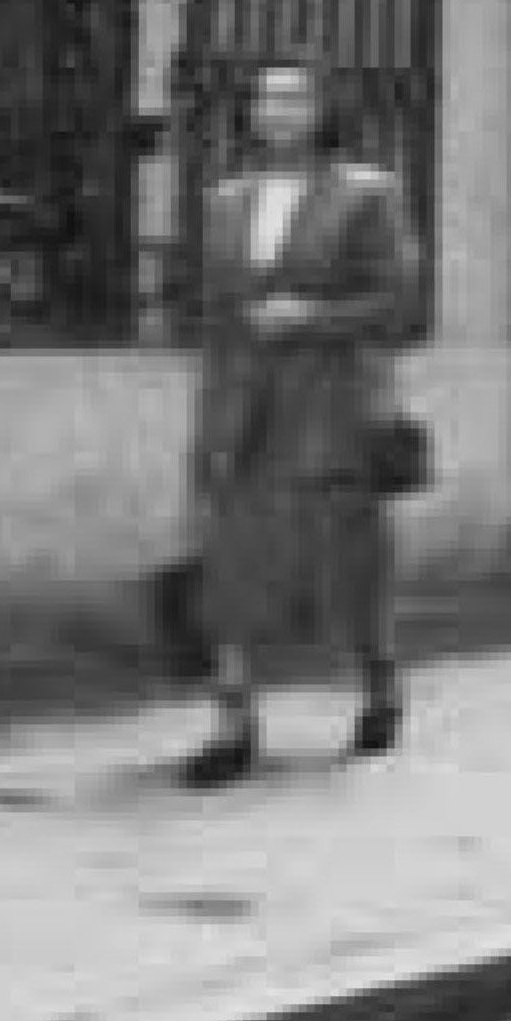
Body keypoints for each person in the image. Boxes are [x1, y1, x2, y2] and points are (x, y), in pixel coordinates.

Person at [172, 58, 427, 783]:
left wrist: (311, 315)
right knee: (228, 564)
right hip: (241, 409)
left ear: (323, 110)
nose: (276, 109)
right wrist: (209, 414)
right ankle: (232, 720)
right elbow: (217, 314)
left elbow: (400, 305)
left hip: (329, 405)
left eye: (293, 96)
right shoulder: (225, 201)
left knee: (345, 564)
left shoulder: (367, 195)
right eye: (263, 97)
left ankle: (380, 679)